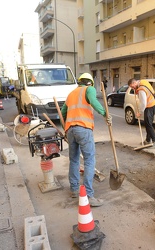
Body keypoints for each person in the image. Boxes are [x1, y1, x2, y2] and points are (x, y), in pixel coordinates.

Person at [61, 72, 112, 207]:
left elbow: (63, 112)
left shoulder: (71, 93)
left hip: (70, 130)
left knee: (74, 160)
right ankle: (89, 195)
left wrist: (65, 128)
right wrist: (105, 113)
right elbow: (94, 101)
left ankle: (74, 190)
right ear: (90, 82)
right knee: (89, 160)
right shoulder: (89, 89)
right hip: (83, 129)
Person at [127, 78, 155, 147]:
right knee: (148, 123)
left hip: (149, 106)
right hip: (154, 105)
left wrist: (140, 112)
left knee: (148, 124)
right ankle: (148, 140)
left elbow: (143, 103)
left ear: (134, 83)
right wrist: (136, 90)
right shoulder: (143, 82)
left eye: (132, 87)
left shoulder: (141, 90)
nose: (132, 88)